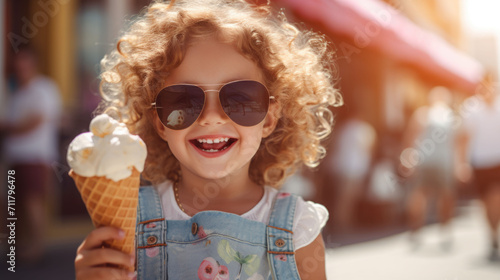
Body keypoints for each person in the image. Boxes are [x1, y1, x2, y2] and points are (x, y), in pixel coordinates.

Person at [74, 0, 342, 279]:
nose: (211, 117)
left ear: (270, 118)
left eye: (240, 98)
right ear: (160, 122)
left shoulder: (299, 228)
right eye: (184, 100)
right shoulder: (128, 222)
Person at [1, 46, 62, 262]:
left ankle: (37, 248)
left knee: (33, 202)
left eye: (25, 61)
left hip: (35, 157)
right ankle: (18, 247)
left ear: (33, 63)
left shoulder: (44, 88)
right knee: (13, 203)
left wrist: (10, 127)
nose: (21, 66)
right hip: (15, 158)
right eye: (18, 62)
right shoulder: (17, 92)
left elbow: (34, 122)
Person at [400, 86, 458, 250]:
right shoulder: (445, 116)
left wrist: (407, 159)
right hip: (435, 163)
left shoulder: (426, 114)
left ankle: (420, 231)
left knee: (424, 196)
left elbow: (409, 138)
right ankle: (435, 230)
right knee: (436, 197)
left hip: (430, 162)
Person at [459, 73, 500, 261]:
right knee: (486, 203)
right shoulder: (471, 107)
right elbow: (464, 138)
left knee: (495, 198)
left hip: (497, 162)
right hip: (480, 163)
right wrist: (462, 164)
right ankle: (492, 235)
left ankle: (494, 234)